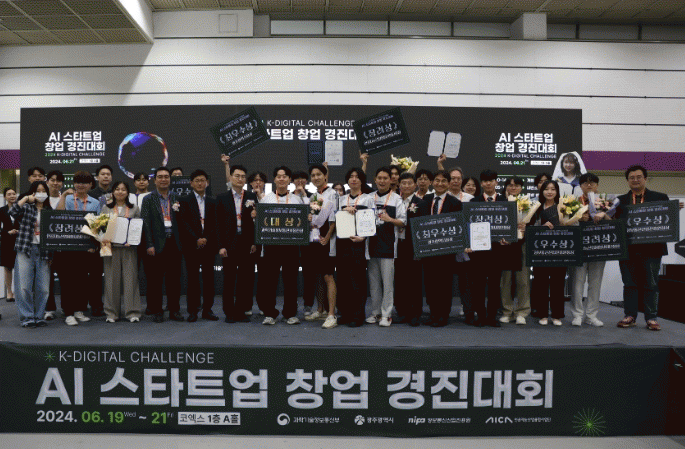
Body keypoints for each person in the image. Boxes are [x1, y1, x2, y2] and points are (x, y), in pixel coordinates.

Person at [615, 165, 670, 331]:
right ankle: (630, 315)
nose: (635, 180)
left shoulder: (660, 198)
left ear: (645, 179)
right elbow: (615, 222)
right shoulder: (619, 201)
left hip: (652, 249)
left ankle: (651, 317)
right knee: (629, 283)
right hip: (628, 248)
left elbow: (667, 220)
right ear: (627, 181)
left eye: (639, 177)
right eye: (632, 178)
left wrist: (672, 209)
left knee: (651, 284)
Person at [257, 166, 307, 325]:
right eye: (278, 176)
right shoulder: (266, 199)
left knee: (291, 281)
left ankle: (290, 313)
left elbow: (303, 221)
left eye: (285, 176)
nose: (281, 179)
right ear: (274, 179)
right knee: (270, 281)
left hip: (291, 246)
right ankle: (270, 313)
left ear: (289, 180)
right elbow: (260, 223)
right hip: (271, 246)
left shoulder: (296, 199)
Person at [530, 180, 582, 325]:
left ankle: (557, 315)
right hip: (540, 251)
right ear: (542, 191)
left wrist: (564, 224)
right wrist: (541, 225)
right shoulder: (536, 207)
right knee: (540, 283)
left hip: (559, 250)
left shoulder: (564, 207)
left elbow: (575, 224)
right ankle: (542, 314)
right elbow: (529, 227)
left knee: (558, 283)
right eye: (546, 189)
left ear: (557, 191)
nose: (550, 192)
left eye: (553, 189)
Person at [57, 170, 104, 324]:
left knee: (82, 280)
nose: (80, 185)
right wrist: (63, 196)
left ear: (90, 184)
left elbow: (98, 226)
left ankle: (79, 310)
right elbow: (58, 215)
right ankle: (68, 313)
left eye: (84, 182)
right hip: (68, 246)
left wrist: (93, 245)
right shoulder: (67, 199)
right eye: (77, 182)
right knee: (68, 281)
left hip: (86, 247)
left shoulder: (95, 202)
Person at [141, 167, 184, 323]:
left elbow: (182, 222)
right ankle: (157, 311)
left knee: (174, 280)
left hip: (174, 244)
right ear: (155, 180)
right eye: (160, 177)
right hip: (156, 244)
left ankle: (174, 310)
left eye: (166, 176)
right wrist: (149, 244)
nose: (163, 179)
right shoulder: (148, 199)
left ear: (170, 179)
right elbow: (146, 223)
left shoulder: (177, 198)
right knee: (156, 281)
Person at [217, 164, 258, 323]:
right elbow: (218, 224)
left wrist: (254, 241)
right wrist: (221, 245)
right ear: (231, 178)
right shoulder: (222, 197)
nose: (240, 179)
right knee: (229, 279)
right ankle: (229, 312)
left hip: (246, 243)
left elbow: (256, 222)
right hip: (229, 243)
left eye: (242, 177)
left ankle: (241, 311)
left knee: (244, 279)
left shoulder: (251, 196)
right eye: (237, 176)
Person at [366, 166, 406, 327]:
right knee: (374, 283)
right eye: (379, 178)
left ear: (391, 180)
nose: (382, 181)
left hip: (388, 246)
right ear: (375, 180)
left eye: (385, 178)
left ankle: (386, 314)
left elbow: (403, 221)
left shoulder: (397, 199)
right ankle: (376, 313)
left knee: (388, 284)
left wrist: (390, 219)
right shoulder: (369, 198)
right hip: (371, 246)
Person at [9, 181, 52, 327]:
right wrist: (26, 199)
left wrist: (52, 255)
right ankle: (27, 317)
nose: (41, 193)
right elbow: (12, 212)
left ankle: (39, 316)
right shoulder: (27, 207)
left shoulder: (49, 210)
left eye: (44, 191)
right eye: (38, 191)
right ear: (32, 192)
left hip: (44, 251)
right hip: (25, 248)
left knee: (44, 288)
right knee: (24, 286)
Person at [423, 171, 463, 327]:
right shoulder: (425, 200)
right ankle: (433, 313)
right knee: (430, 283)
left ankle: (443, 315)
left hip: (446, 251)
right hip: (427, 250)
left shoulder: (455, 203)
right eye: (437, 180)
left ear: (448, 183)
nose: (440, 184)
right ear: (432, 182)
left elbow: (458, 226)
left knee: (444, 284)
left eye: (444, 181)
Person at [468, 169, 508, 328]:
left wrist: (508, 238)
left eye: (491, 180)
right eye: (485, 181)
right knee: (478, 285)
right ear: (482, 183)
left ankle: (492, 316)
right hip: (478, 251)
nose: (488, 183)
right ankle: (480, 315)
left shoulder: (505, 201)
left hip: (498, 250)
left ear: (496, 182)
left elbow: (508, 225)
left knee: (494, 285)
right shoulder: (474, 202)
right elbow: (469, 225)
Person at [178, 169, 219, 322]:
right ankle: (193, 310)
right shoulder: (184, 201)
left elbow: (216, 224)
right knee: (192, 279)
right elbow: (184, 223)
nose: (200, 183)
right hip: (191, 246)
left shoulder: (213, 201)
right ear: (191, 183)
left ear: (207, 183)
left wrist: (206, 238)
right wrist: (196, 239)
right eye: (197, 181)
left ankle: (208, 310)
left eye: (203, 180)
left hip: (209, 246)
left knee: (209, 279)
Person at [101, 181, 142, 323]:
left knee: (131, 280)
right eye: (117, 189)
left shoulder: (134, 208)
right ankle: (112, 313)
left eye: (123, 189)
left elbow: (138, 227)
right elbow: (101, 228)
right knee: (111, 281)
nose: (120, 192)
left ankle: (132, 312)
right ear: (113, 192)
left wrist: (133, 239)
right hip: (110, 248)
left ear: (127, 192)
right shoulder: (106, 208)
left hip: (129, 249)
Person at [336, 167, 373, 327]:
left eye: (357, 177)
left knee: (357, 281)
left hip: (359, 244)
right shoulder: (341, 199)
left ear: (362, 180)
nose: (354, 179)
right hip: (342, 243)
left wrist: (363, 237)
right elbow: (335, 219)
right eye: (351, 176)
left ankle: (357, 316)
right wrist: (344, 210)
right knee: (343, 280)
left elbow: (371, 222)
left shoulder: (367, 199)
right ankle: (345, 314)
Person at [570, 172, 608, 327]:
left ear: (597, 185)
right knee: (577, 282)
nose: (589, 185)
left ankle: (591, 315)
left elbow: (613, 222)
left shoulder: (605, 202)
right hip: (578, 246)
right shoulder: (572, 203)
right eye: (585, 183)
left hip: (598, 246)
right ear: (580, 186)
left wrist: (604, 214)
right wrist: (577, 218)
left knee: (595, 282)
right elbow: (565, 223)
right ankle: (577, 315)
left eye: (592, 183)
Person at [303, 164, 339, 329]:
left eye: (319, 174)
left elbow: (334, 218)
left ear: (325, 176)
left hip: (327, 242)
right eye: (313, 175)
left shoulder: (333, 194)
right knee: (318, 275)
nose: (316, 177)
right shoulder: (314, 196)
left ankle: (331, 314)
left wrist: (328, 236)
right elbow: (315, 219)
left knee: (328, 276)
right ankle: (320, 310)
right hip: (315, 241)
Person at [394, 172, 428, 326]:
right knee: (400, 280)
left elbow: (423, 227)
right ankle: (401, 311)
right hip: (397, 245)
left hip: (413, 247)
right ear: (399, 185)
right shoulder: (395, 201)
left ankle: (415, 313)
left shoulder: (420, 203)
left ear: (415, 185)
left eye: (409, 183)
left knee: (414, 281)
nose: (406, 186)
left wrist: (419, 249)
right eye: (403, 183)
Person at [499, 176, 530, 325]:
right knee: (505, 281)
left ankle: (522, 312)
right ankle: (507, 311)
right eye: (510, 185)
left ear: (521, 188)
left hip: (522, 245)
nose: (513, 187)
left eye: (516, 185)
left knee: (523, 281)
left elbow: (534, 224)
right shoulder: (500, 203)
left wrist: (526, 227)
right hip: (505, 246)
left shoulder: (528, 204)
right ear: (506, 187)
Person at [44, 170, 64, 320]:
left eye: (58, 180)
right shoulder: (41, 200)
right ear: (47, 182)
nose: (55, 183)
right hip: (46, 245)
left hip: (64, 246)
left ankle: (67, 307)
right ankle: (49, 308)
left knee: (66, 279)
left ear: (62, 183)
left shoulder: (68, 199)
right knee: (47, 279)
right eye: (52, 180)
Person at [1, 188, 20, 302]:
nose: (12, 196)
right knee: (8, 267)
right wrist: (7, 232)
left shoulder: (21, 208)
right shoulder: (2, 210)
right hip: (7, 241)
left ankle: (18, 292)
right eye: (9, 194)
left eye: (13, 194)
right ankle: (9, 292)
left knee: (20, 268)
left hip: (20, 241)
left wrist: (19, 231)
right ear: (5, 197)